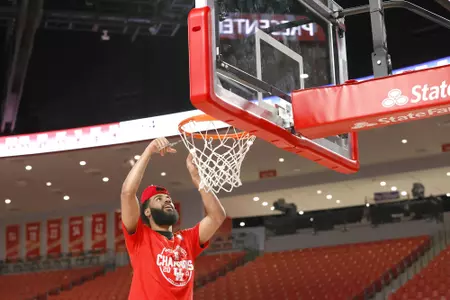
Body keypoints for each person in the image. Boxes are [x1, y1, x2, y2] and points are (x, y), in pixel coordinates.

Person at [121, 137, 226, 300]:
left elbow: (217, 216)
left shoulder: (187, 240)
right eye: (159, 199)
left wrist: (199, 180)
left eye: (168, 199)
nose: (167, 201)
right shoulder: (140, 237)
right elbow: (127, 193)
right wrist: (149, 151)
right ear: (147, 212)